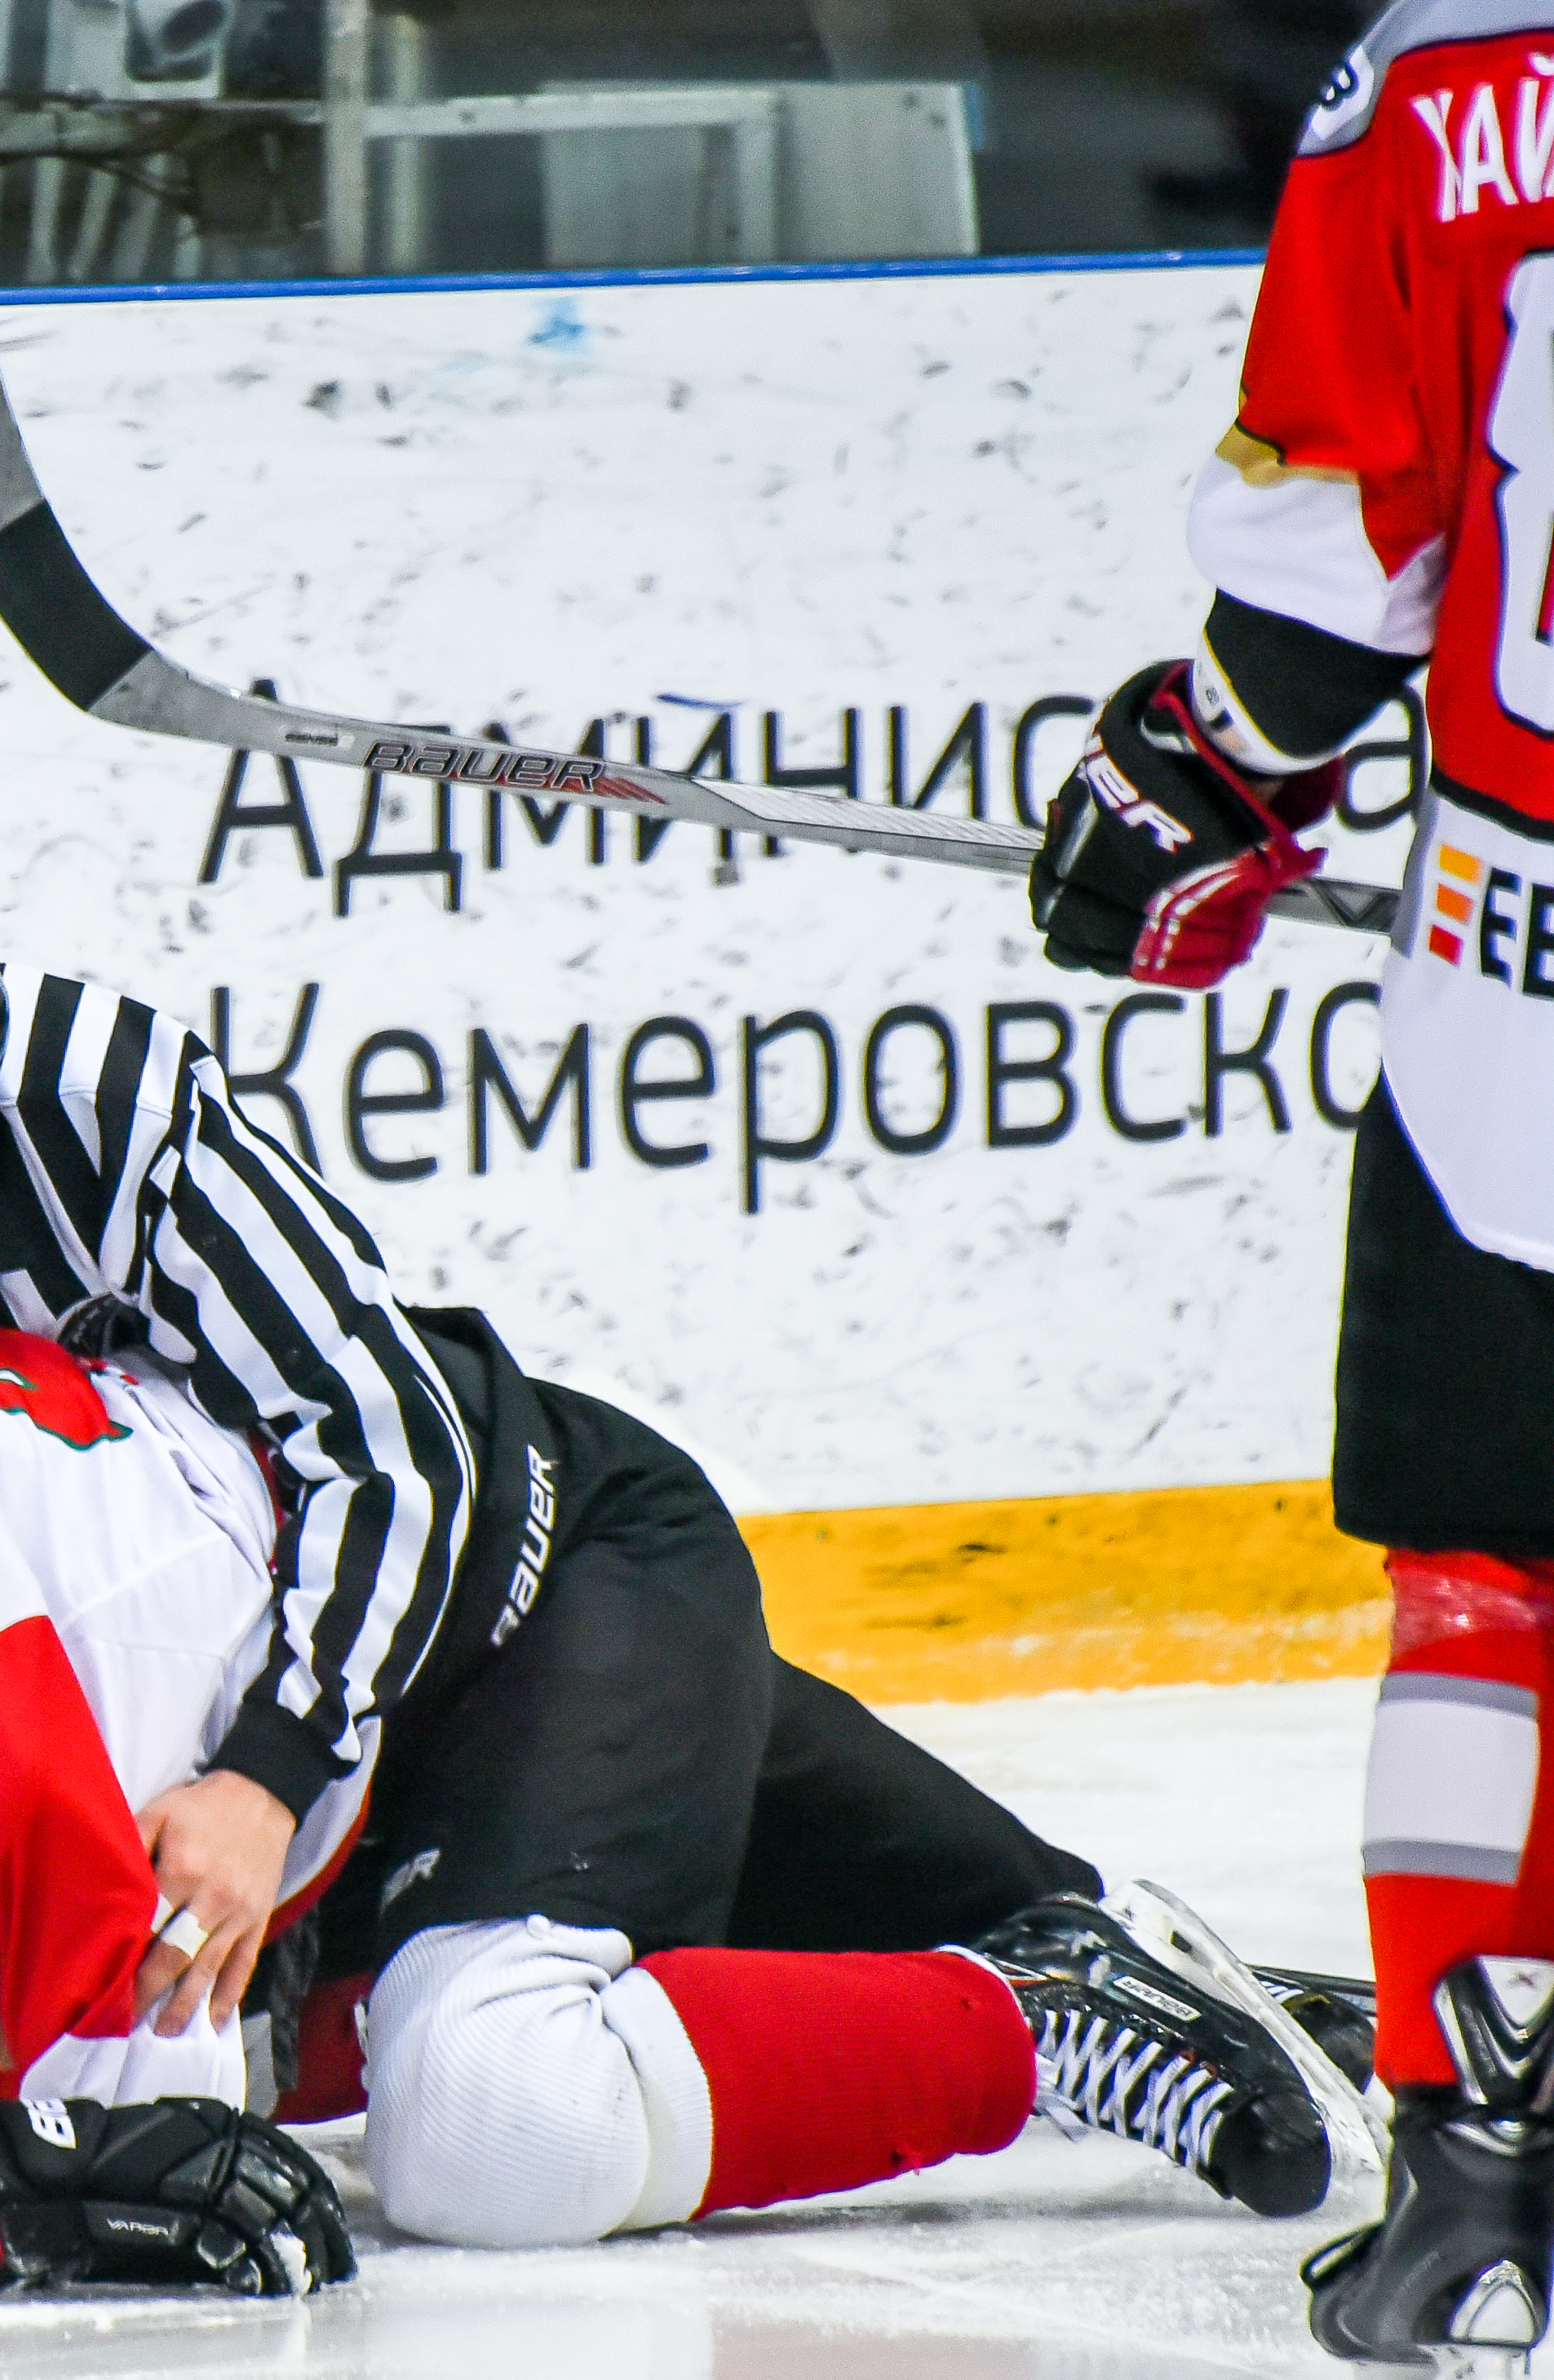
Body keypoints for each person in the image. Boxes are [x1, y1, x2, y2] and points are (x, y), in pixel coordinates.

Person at [0, 1307, 1356, 2285]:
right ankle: (1121, 1956)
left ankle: (1035, 2021)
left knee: (484, 2122)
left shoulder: (48, 1664)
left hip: (545, 1590)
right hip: (394, 1712)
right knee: (347, 2024)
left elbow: (111, 2160)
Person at [1020, 5, 1554, 2365]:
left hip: (1520, 995)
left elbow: (1324, 596)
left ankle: (1477, 2166)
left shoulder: (1450, 81)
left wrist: (1198, 772)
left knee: (1488, 1590)